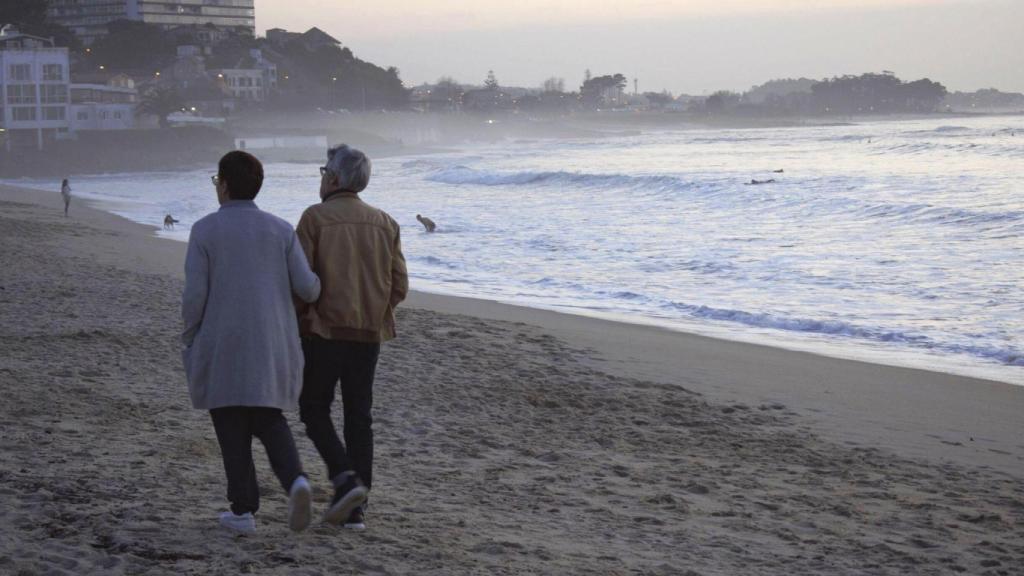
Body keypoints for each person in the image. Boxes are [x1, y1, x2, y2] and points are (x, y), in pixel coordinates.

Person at [181, 151, 321, 535]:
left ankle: (243, 511)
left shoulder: (205, 230)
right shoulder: (280, 230)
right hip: (272, 338)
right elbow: (307, 288)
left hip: (221, 336)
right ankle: (296, 481)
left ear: (223, 185)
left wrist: (188, 335)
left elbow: (195, 295)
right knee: (268, 415)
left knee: (229, 420)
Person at [295, 144, 408, 529]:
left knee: (313, 409)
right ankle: (357, 509)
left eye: (324, 171)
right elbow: (399, 285)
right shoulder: (385, 222)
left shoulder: (314, 218)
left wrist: (302, 318)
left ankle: (345, 480)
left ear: (335, 178)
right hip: (368, 333)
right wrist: (377, 311)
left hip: (324, 330)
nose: (322, 177)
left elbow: (301, 281)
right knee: (359, 417)